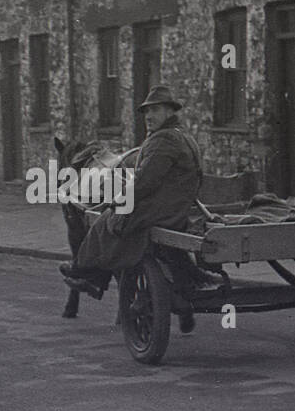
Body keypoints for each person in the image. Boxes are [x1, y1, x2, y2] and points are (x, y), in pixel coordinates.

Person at [61, 85, 203, 298]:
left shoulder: (163, 140)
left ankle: (84, 271)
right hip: (176, 206)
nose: (149, 116)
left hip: (161, 211)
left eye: (155, 110)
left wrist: (118, 201)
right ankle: (96, 277)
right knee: (112, 218)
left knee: (106, 221)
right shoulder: (183, 136)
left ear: (169, 112)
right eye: (147, 111)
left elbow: (144, 182)